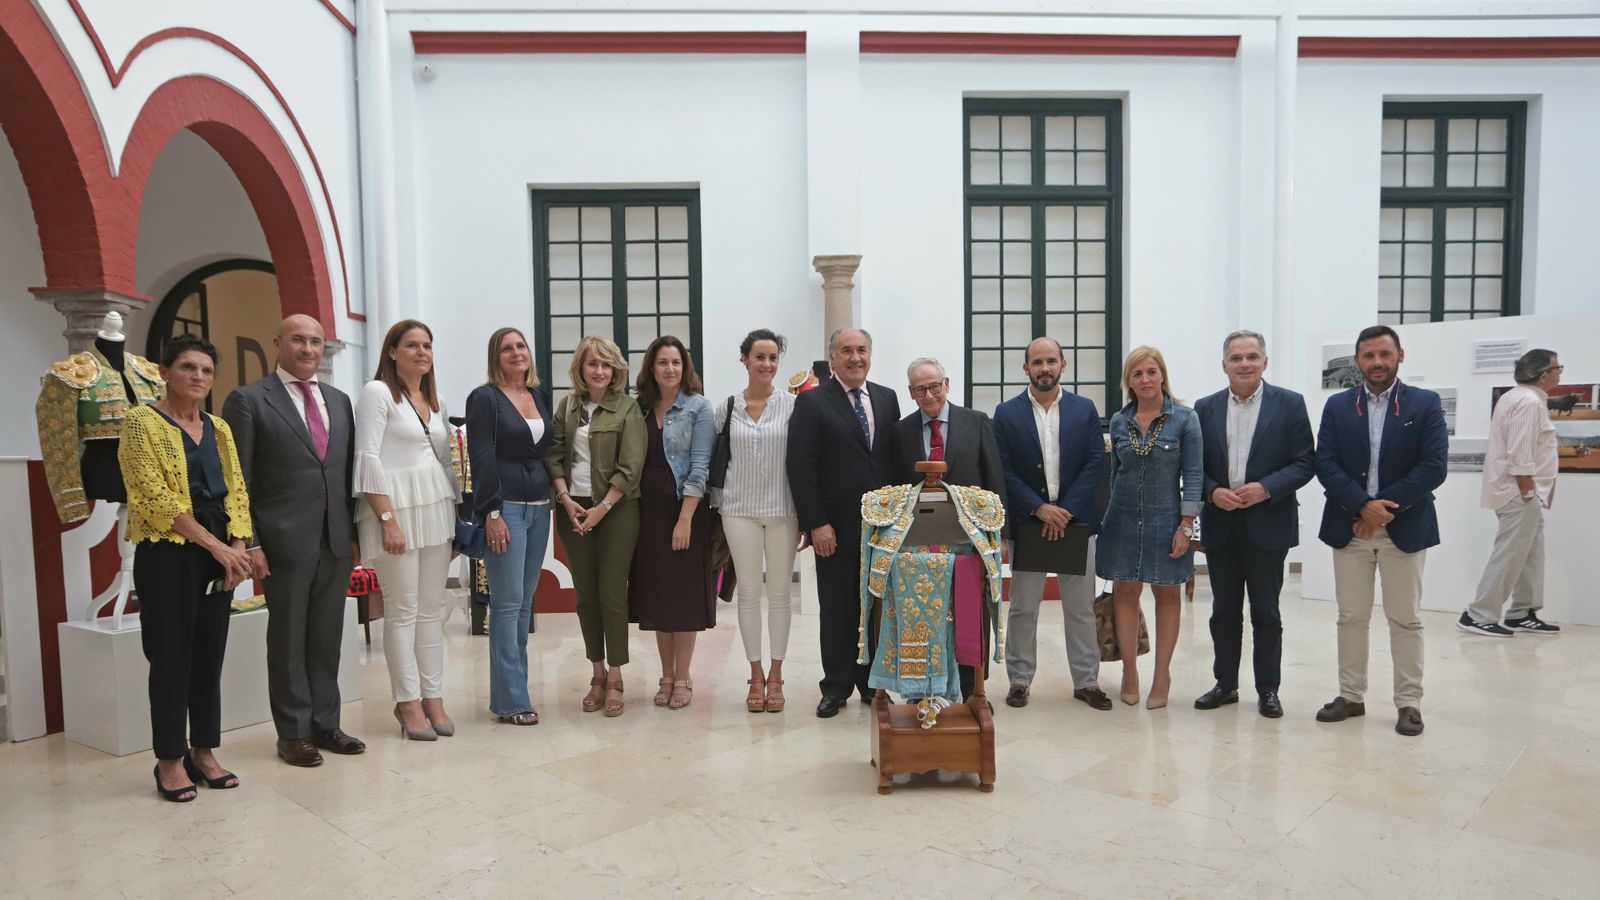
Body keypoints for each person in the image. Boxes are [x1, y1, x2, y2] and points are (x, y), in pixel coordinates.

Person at [222, 315, 365, 768]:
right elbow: (238, 479)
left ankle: (326, 723)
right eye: (299, 340)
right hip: (281, 541)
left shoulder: (340, 402)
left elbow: (344, 476)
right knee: (287, 639)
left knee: (327, 637)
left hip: (335, 539)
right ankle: (292, 733)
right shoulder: (248, 400)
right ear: (278, 343)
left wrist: (356, 534)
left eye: (316, 341)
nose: (308, 348)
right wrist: (250, 541)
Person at [119, 334, 253, 801]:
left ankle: (205, 751)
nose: (198, 377)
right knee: (170, 655)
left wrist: (238, 545)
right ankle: (169, 760)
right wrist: (218, 547)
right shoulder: (141, 422)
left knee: (209, 653)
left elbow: (237, 488)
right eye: (187, 368)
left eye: (206, 370)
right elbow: (153, 496)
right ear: (165, 371)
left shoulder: (219, 428)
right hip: (169, 551)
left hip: (220, 551)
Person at [1314, 325, 1447, 737]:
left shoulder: (1424, 404)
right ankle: (1350, 696)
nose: (1376, 362)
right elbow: (1326, 463)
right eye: (1368, 355)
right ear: (1357, 361)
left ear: (1399, 356)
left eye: (1384, 354)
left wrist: (1381, 508)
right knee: (1350, 617)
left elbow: (1433, 466)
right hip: (1349, 527)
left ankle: (1409, 702)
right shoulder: (1338, 406)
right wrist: (1361, 506)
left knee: (1405, 618)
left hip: (1403, 528)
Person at [1192, 331, 1314, 719]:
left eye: (1252, 357)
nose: (1244, 364)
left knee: (1266, 612)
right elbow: (1196, 468)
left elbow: (1305, 461)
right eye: (1236, 358)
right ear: (1223, 364)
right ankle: (1225, 684)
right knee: (1223, 612)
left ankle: (1268, 690)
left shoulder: (1290, 405)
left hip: (1268, 523)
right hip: (1222, 525)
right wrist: (1212, 493)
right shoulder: (1205, 407)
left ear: (1265, 361)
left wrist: (1268, 488)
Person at [354, 319, 461, 741]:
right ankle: (408, 702)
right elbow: (367, 458)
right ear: (393, 351)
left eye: (427, 345)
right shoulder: (377, 392)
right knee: (402, 610)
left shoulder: (435, 400)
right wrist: (387, 519)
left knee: (432, 608)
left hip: (434, 506)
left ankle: (433, 696)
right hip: (393, 508)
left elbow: (445, 459)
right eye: (412, 345)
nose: (422, 352)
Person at [786, 328, 901, 718]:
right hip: (834, 528)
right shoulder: (813, 402)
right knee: (837, 608)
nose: (855, 358)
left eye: (862, 350)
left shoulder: (887, 398)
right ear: (832, 358)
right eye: (846, 351)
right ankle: (835, 686)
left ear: (871, 354)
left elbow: (893, 462)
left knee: (876, 606)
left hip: (882, 527)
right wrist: (816, 522)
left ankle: (871, 682)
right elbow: (801, 466)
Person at [992, 337, 1108, 711]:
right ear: (1025, 368)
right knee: (1024, 606)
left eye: (1051, 361)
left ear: (1064, 365)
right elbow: (1003, 469)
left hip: (1076, 523)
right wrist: (1040, 508)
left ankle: (1087, 681)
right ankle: (1020, 681)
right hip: (1030, 522)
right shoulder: (1006, 413)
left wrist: (1065, 511)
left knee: (1080, 607)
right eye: (1037, 362)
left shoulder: (1084, 409)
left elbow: (1095, 462)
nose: (1045, 368)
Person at [892, 356, 1005, 699]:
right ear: (911, 393)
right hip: (917, 550)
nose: (929, 395)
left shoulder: (977, 422)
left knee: (969, 617)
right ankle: (922, 688)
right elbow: (894, 490)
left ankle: (972, 690)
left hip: (968, 544)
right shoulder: (900, 432)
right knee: (922, 618)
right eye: (919, 389)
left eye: (934, 386)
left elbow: (994, 480)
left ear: (947, 384)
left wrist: (1000, 537)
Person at [1098, 346, 1202, 710]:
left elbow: (1193, 476)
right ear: (1129, 380)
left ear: (1163, 375)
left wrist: (1186, 527)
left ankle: (1162, 675)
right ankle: (1129, 671)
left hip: (1167, 522)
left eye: (1151, 372)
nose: (1145, 379)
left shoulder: (1185, 420)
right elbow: (1114, 476)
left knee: (1167, 596)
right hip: (1122, 521)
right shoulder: (1117, 422)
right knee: (1124, 595)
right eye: (1137, 373)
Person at [547, 335, 645, 717]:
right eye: (593, 364)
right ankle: (596, 673)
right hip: (574, 510)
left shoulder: (628, 409)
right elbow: (554, 456)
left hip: (617, 511)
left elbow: (630, 467)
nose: (600, 371)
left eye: (606, 364)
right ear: (580, 369)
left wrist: (602, 508)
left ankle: (617, 676)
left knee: (611, 594)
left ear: (616, 370)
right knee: (586, 595)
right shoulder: (567, 406)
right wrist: (565, 498)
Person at [465, 327, 554, 726]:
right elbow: (480, 457)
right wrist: (492, 513)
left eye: (521, 346)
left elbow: (546, 451)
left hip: (539, 507)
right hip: (507, 509)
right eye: (507, 348)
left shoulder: (538, 395)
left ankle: (514, 692)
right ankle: (512, 701)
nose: (516, 353)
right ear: (495, 356)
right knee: (505, 605)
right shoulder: (484, 398)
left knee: (523, 605)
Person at [713, 329, 799, 713]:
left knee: (779, 593)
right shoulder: (727, 407)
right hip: (738, 510)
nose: (767, 364)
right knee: (749, 593)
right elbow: (716, 459)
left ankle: (777, 674)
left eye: (773, 357)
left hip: (783, 510)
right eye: (759, 357)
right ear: (744, 359)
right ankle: (756, 674)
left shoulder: (794, 406)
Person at [629, 336, 717, 710]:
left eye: (676, 363)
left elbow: (700, 467)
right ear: (651, 367)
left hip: (686, 511)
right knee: (658, 597)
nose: (670, 369)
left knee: (683, 600)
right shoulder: (639, 409)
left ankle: (683, 676)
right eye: (662, 362)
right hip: (647, 513)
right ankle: (665, 675)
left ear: (686, 368)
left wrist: (684, 520)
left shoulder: (699, 408)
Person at [1460, 349, 1563, 638]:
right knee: (1510, 554)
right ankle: (1478, 615)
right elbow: (1519, 450)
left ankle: (1521, 612)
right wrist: (1527, 489)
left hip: (1524, 492)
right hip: (1519, 492)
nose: (1560, 372)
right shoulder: (1528, 402)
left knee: (1531, 553)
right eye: (1558, 368)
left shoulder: (1517, 397)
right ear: (1544, 375)